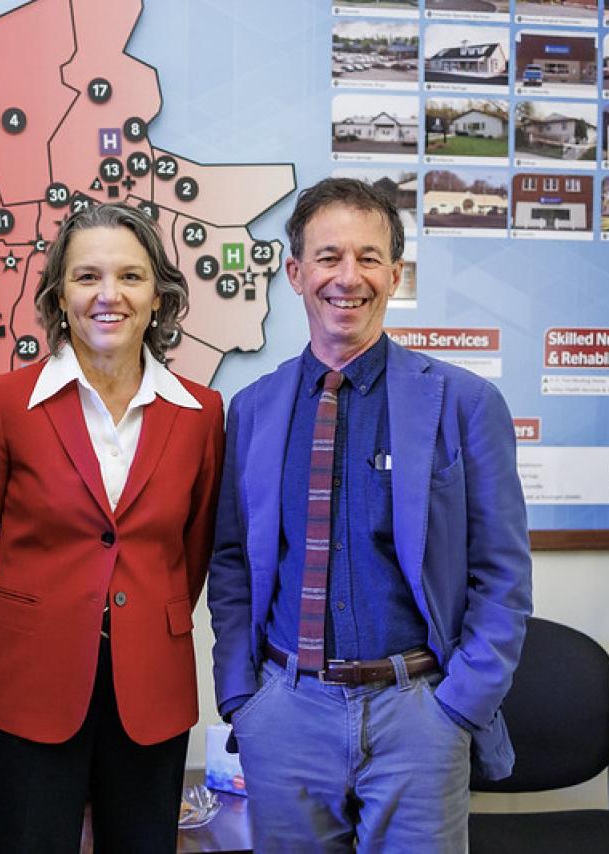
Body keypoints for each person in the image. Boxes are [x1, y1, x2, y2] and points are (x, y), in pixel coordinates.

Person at [207, 177, 532, 852]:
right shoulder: (253, 410)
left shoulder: (463, 403)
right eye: (328, 258)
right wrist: (243, 695)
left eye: (368, 257)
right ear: (295, 273)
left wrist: (459, 706)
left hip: (418, 715)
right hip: (286, 714)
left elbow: (502, 575)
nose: (347, 278)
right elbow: (232, 562)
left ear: (395, 272)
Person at [0, 203, 224, 853]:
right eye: (86, 276)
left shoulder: (201, 413)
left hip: (152, 691)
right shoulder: (6, 403)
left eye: (130, 276)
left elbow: (192, 553)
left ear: (159, 296)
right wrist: (11, 653)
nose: (108, 295)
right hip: (30, 685)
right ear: (58, 296)